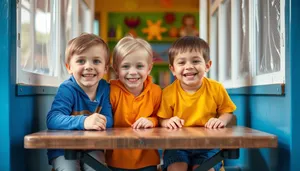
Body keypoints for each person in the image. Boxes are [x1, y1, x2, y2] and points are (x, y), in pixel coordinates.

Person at [157, 36, 236, 171]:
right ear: (173, 70)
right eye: (181, 63)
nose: (189, 66)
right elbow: (161, 119)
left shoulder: (216, 88)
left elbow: (228, 112)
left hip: (209, 146)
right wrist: (168, 122)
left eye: (195, 61)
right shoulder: (168, 92)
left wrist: (221, 120)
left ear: (207, 66)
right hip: (177, 146)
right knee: (176, 168)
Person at [46, 33, 113, 171]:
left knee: (97, 168)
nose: (88, 66)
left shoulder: (105, 88)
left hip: (92, 147)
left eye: (96, 61)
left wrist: (101, 121)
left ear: (105, 68)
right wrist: (84, 122)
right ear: (69, 67)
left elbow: (109, 118)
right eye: (81, 61)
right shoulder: (67, 89)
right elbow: (53, 119)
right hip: (63, 149)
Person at [105, 35, 162, 171]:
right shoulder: (110, 91)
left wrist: (151, 121)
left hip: (147, 159)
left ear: (149, 68)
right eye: (125, 66)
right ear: (116, 68)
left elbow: (161, 118)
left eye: (140, 66)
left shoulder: (156, 92)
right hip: (117, 159)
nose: (132, 72)